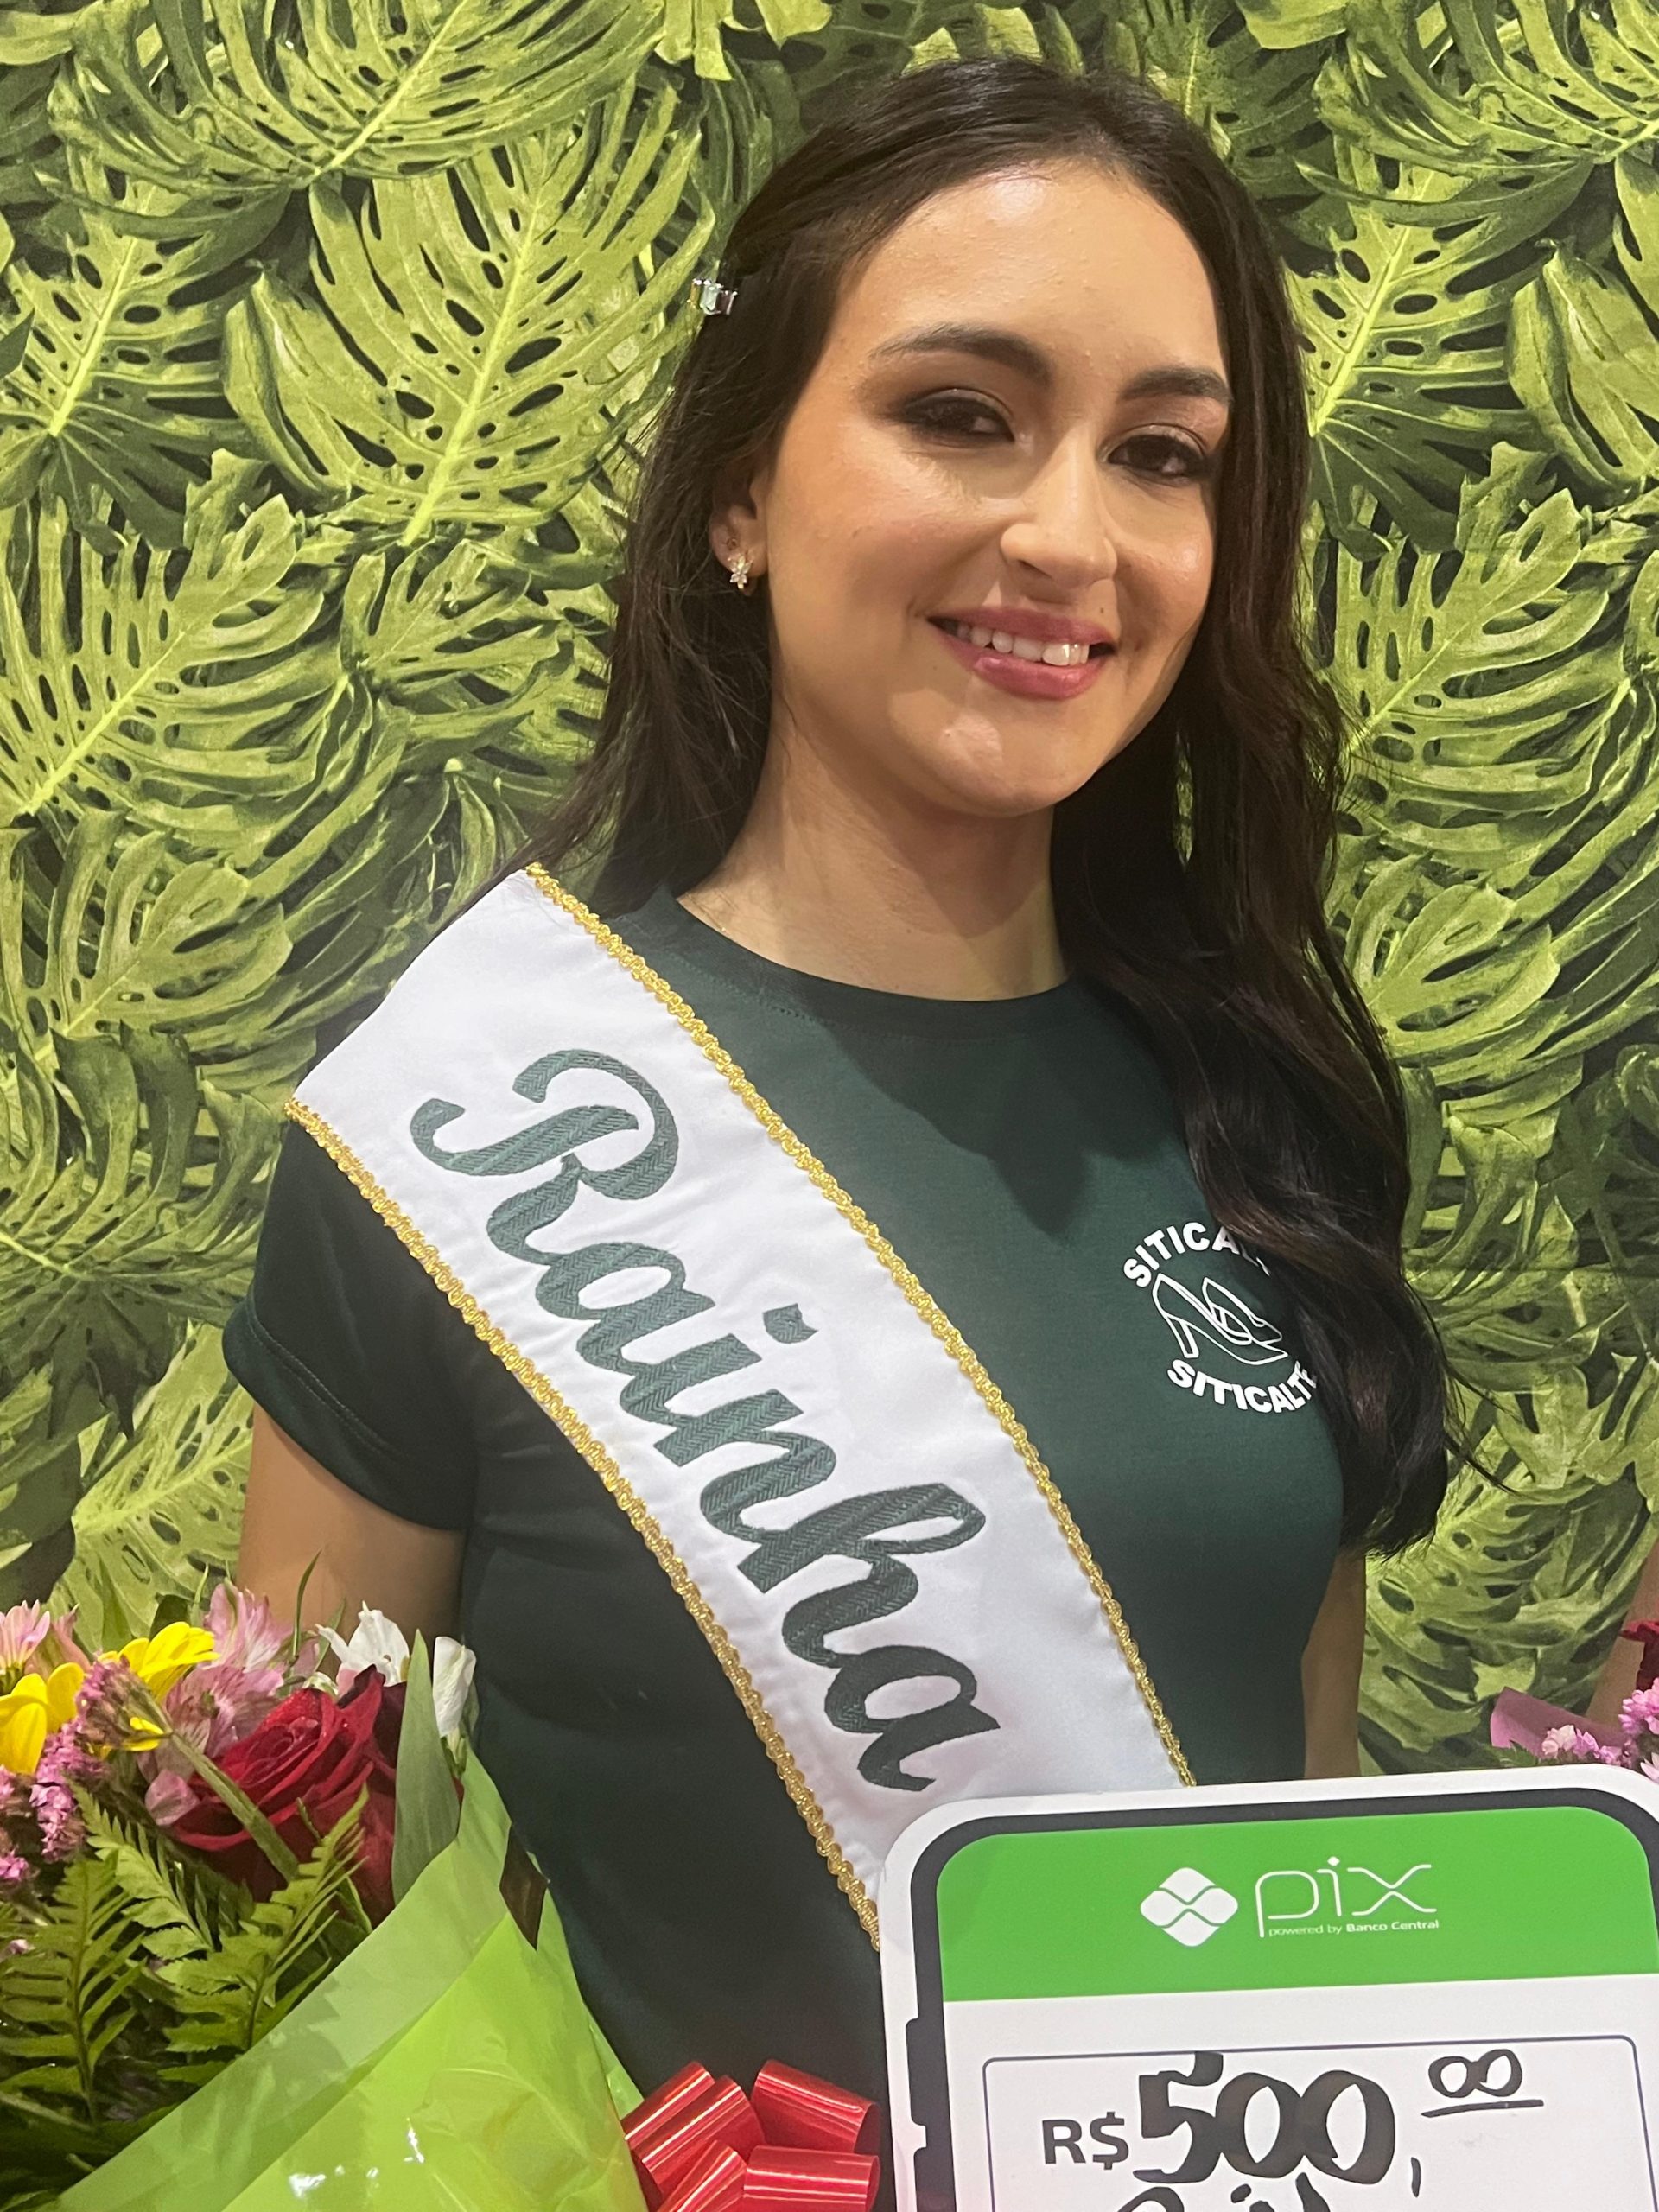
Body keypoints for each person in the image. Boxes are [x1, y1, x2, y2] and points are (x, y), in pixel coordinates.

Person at [226, 52, 1452, 2164]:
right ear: (739, 489)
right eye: (960, 414)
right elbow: (297, 1949)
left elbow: (1298, 1850)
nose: (1069, 533)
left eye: (1163, 454)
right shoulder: (457, 1126)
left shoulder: (1266, 1114)